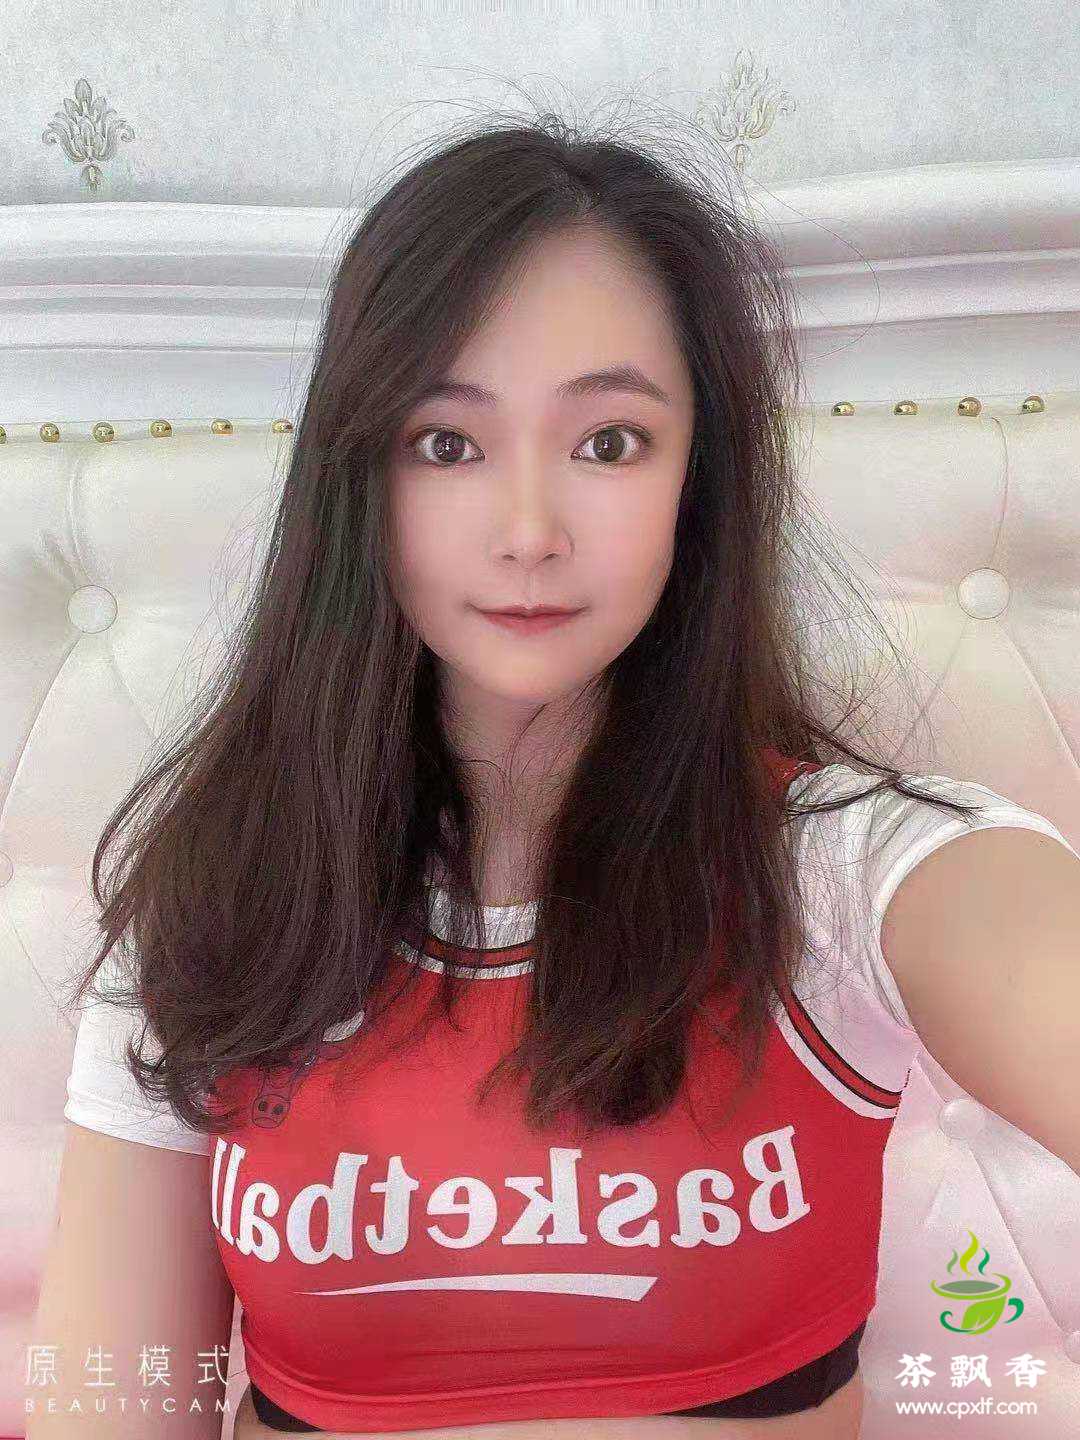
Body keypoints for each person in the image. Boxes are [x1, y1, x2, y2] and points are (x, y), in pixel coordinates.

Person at [30, 106, 1080, 1440]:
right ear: (358, 476)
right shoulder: (216, 908)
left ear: (698, 477)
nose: (528, 531)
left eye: (608, 442)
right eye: (447, 443)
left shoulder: (850, 873)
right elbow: (116, 1402)